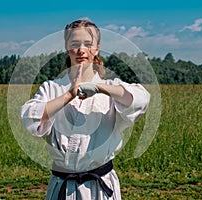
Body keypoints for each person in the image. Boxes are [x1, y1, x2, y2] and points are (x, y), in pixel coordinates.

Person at [20, 19, 150, 200]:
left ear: (97, 48)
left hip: (100, 188)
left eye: (88, 44)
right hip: (62, 187)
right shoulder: (52, 88)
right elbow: (30, 119)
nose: (81, 50)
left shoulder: (112, 86)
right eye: (75, 44)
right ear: (67, 48)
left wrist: (100, 89)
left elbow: (141, 100)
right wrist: (68, 95)